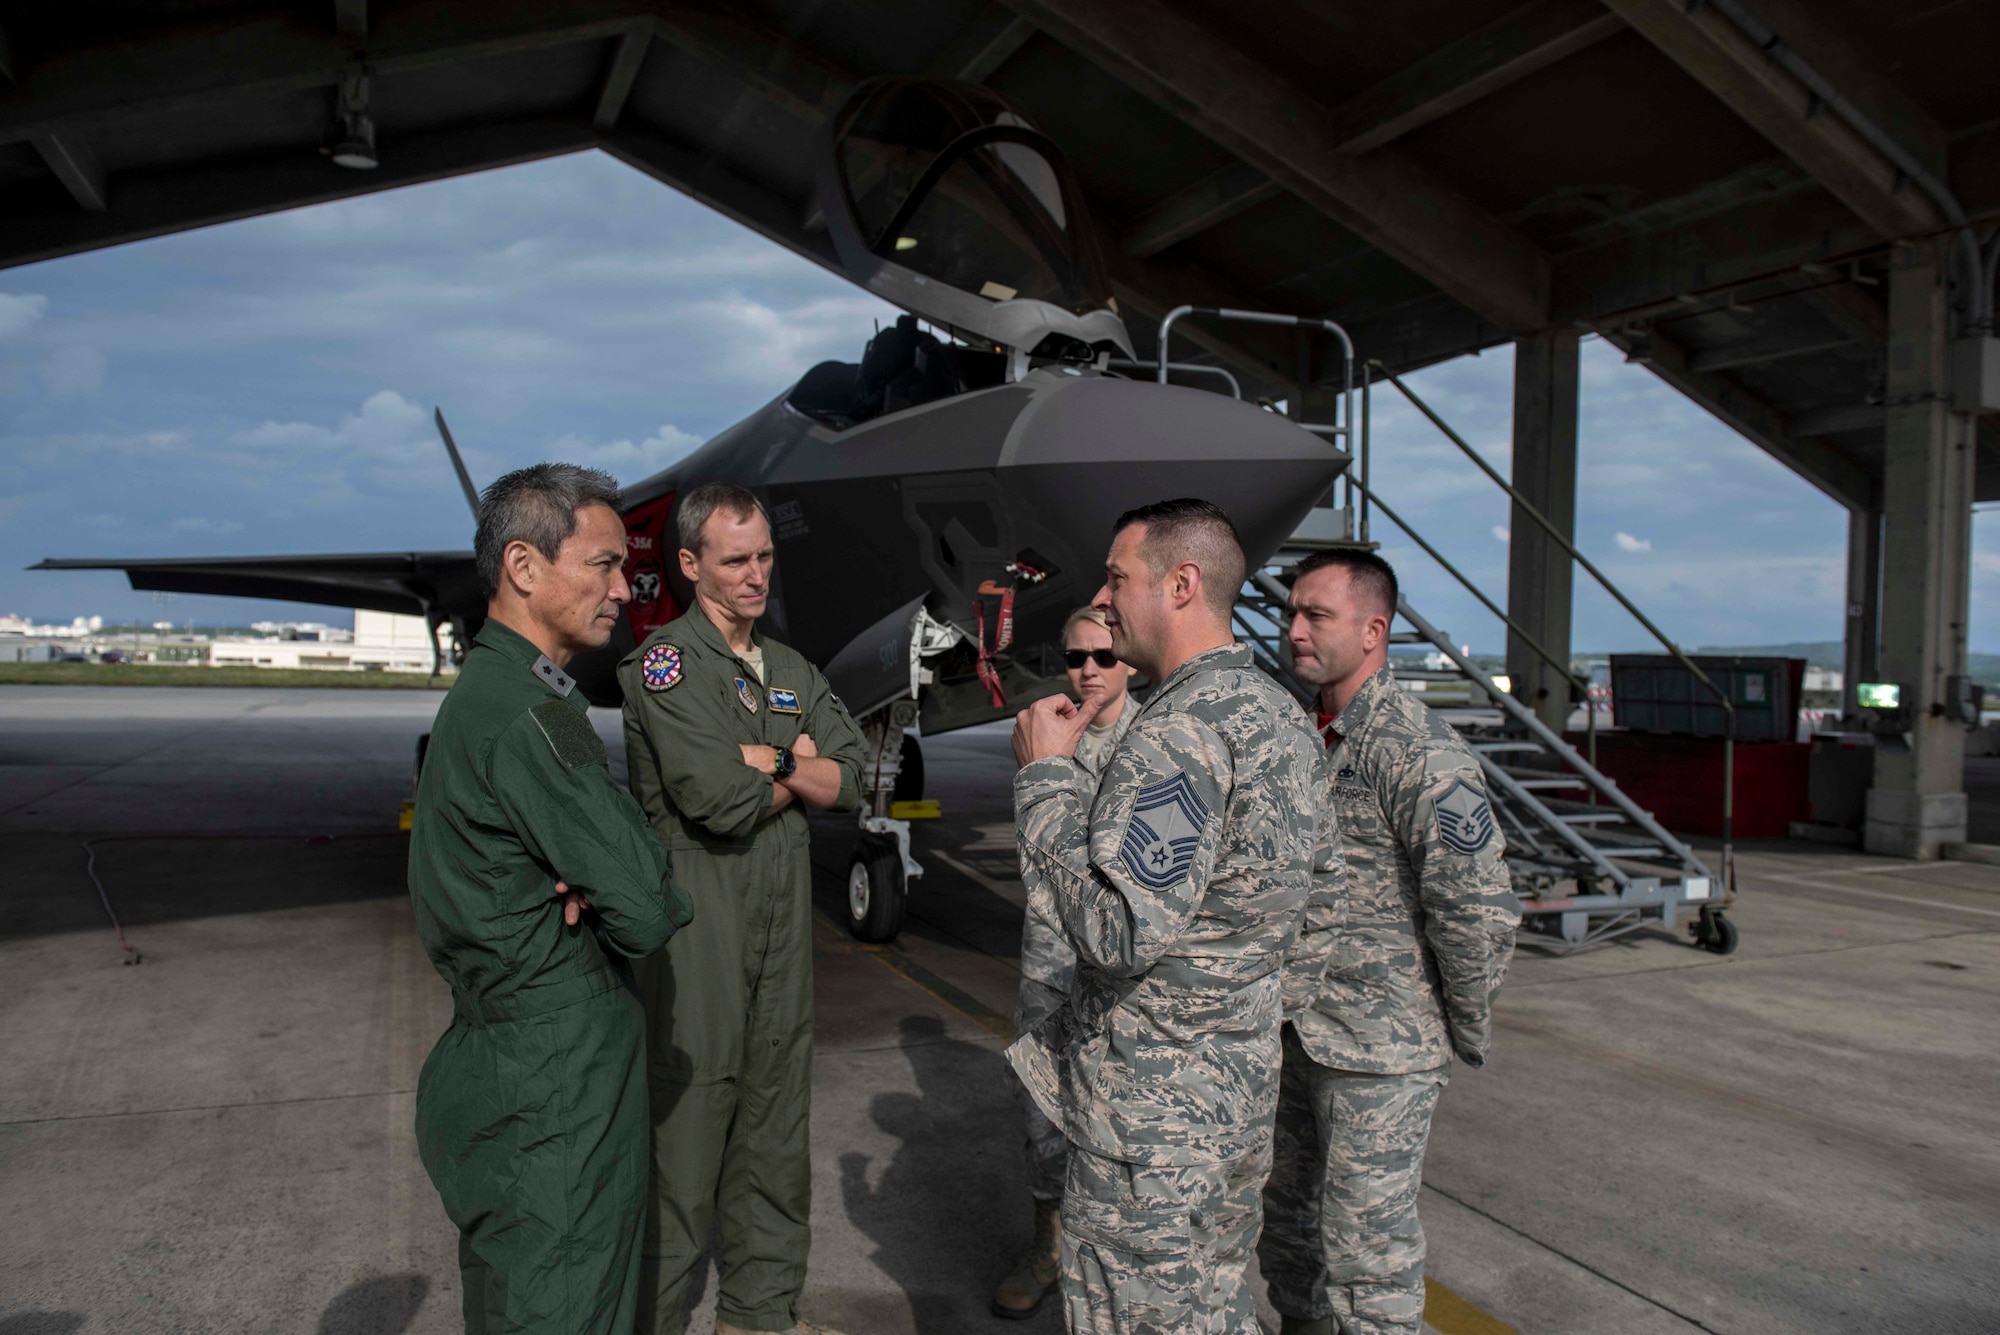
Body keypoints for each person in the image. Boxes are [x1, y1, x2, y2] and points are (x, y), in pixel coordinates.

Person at [1008, 498, 1336, 1335]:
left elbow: (1119, 932)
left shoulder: (1179, 730)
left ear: (1181, 583)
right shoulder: (1283, 718)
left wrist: (1047, 780)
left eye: (1118, 578)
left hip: (1150, 1127)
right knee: (1214, 1310)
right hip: (1234, 1101)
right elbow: (1312, 907)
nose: (1104, 599)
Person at [409, 463, 693, 1335]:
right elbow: (648, 905)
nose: (623, 588)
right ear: (525, 567)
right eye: (603, 565)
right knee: (568, 1306)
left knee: (514, 1303)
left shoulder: (488, 699)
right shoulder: (532, 717)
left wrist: (593, 867)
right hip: (555, 1083)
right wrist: (615, 864)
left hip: (503, 1062)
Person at [619, 482, 867, 1335]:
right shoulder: (665, 667)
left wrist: (777, 765)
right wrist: (794, 772)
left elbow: (853, 774)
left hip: (780, 939)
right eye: (737, 560)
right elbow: (716, 800)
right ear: (690, 565)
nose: (758, 573)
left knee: (773, 1135)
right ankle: (648, 1318)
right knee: (683, 1148)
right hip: (699, 936)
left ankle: (758, 1316)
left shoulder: (792, 668)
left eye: (764, 555)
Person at [1262, 549, 1518, 1335]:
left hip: (1380, 1050)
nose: (1294, 630)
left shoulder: (1417, 749)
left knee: (1367, 1263)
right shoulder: (1302, 731)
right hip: (1298, 1032)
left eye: (1316, 616)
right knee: (1289, 1234)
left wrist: (1456, 1028)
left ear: (1374, 630)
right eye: (1292, 613)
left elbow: (1477, 908)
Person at [992, 605, 1141, 1320]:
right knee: (1042, 1110)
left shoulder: (1157, 741)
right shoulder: (1047, 731)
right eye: (1076, 656)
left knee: (1118, 1120)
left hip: (1119, 968)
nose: (1087, 670)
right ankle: (1048, 1245)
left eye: (1104, 658)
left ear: (1130, 663)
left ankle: (1108, 1257)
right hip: (1051, 956)